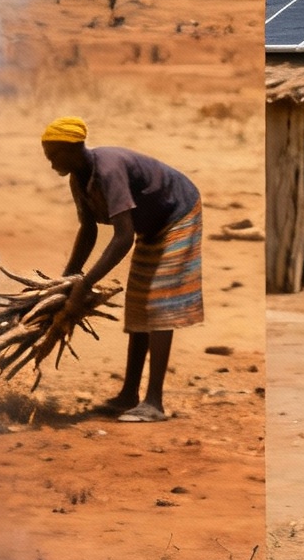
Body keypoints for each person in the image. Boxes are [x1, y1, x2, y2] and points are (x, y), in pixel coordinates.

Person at [42, 116, 202, 422]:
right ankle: (129, 395)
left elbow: (123, 237)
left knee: (158, 304)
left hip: (178, 215)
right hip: (152, 224)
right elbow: (88, 229)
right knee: (138, 303)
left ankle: (154, 402)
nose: (51, 165)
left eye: (54, 156)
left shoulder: (108, 170)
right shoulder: (79, 178)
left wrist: (85, 284)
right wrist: (68, 281)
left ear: (73, 148)